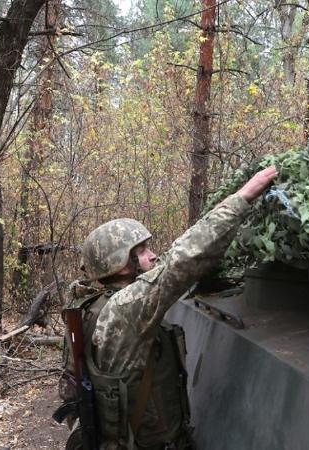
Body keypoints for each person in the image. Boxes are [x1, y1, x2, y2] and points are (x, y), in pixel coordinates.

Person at [57, 166, 278, 450]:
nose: (152, 255)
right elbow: (183, 260)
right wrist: (243, 197)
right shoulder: (124, 309)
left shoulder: (89, 306)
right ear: (122, 263)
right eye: (143, 251)